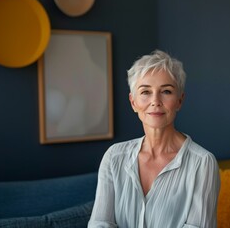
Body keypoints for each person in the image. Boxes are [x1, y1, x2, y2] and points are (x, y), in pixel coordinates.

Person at [88, 50, 220, 228]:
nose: (155, 101)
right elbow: (100, 223)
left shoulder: (203, 163)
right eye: (145, 92)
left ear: (180, 101)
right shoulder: (114, 157)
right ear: (133, 102)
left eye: (166, 91)